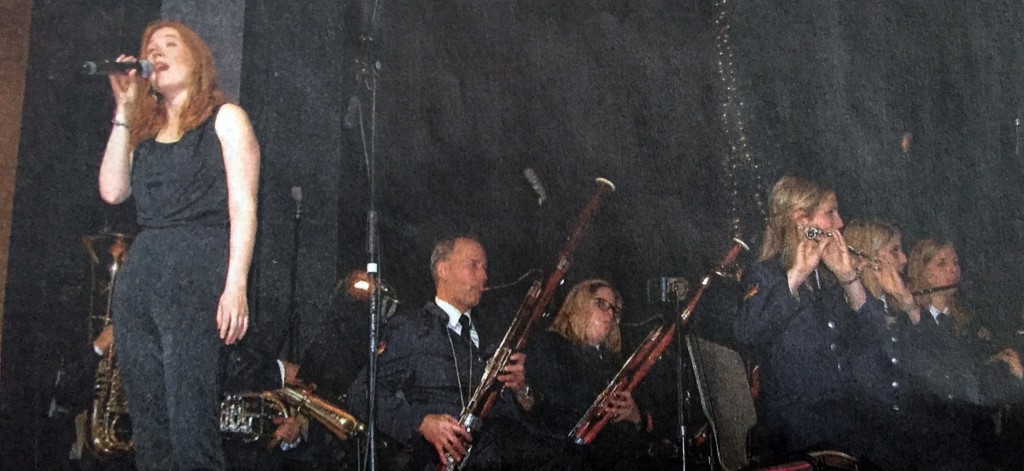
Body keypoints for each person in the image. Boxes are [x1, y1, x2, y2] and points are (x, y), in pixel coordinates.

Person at [98, 19, 260, 470]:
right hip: (143, 276)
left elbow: (244, 207)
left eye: (171, 44)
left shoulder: (226, 119)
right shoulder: (144, 133)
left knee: (191, 427)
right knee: (151, 432)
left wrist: (236, 285)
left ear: (198, 60)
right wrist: (125, 109)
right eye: (151, 46)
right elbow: (112, 191)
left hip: (197, 269)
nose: (158, 51)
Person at [732, 176, 890, 462]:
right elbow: (747, 333)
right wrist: (796, 275)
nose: (839, 223)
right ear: (800, 220)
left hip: (845, 422)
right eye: (831, 212)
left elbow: (878, 336)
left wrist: (849, 279)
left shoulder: (825, 280)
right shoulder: (765, 275)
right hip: (797, 432)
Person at [347, 236, 533, 470]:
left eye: (485, 268)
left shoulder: (495, 332)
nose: (484, 276)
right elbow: (363, 393)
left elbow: (527, 414)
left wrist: (523, 392)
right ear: (443, 270)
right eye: (473, 265)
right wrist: (421, 423)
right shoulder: (413, 329)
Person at [521, 279, 653, 470]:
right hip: (568, 459)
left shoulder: (617, 362)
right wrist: (598, 402)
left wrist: (634, 415)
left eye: (614, 310)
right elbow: (549, 407)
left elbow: (645, 414)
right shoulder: (550, 345)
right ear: (580, 303)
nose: (610, 313)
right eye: (602, 304)